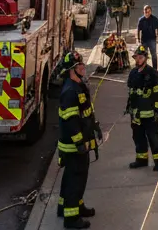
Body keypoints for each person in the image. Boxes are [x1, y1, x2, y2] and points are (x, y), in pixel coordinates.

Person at [56, 50, 100, 229]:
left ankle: (68, 207)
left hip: (77, 144)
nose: (83, 67)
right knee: (76, 179)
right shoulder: (70, 91)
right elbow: (71, 122)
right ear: (72, 70)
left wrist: (93, 125)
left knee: (72, 178)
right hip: (74, 147)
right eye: (79, 65)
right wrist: (80, 143)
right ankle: (71, 218)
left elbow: (83, 113)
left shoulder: (78, 85)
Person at [126, 44, 158, 171]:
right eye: (136, 57)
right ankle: (141, 160)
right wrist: (129, 107)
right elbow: (131, 91)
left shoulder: (153, 74)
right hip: (136, 114)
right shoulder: (133, 73)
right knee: (138, 137)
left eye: (140, 57)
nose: (138, 60)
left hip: (149, 113)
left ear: (146, 58)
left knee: (153, 137)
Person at [136, 4, 158, 71]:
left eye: (148, 12)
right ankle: (144, 68)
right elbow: (138, 30)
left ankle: (155, 69)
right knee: (144, 56)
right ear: (143, 12)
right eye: (145, 12)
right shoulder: (141, 20)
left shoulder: (154, 19)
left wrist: (157, 36)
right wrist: (138, 40)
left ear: (151, 12)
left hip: (152, 39)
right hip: (144, 40)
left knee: (154, 55)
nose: (147, 13)